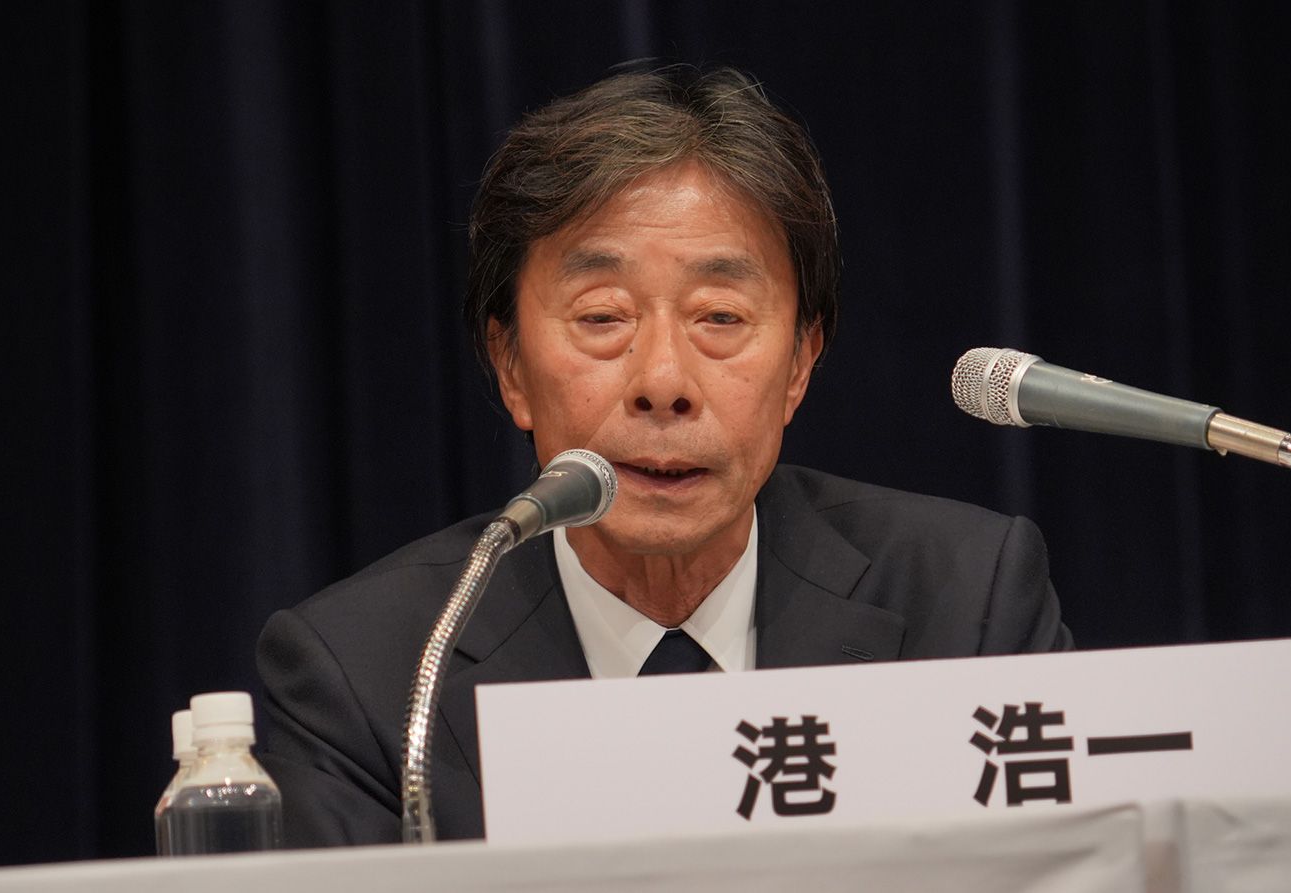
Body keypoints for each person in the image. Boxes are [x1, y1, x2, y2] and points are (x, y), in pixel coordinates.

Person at [257, 63, 1072, 848]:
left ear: (799, 363)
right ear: (511, 367)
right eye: (602, 316)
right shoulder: (368, 673)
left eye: (719, 316)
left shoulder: (966, 604)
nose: (663, 382)